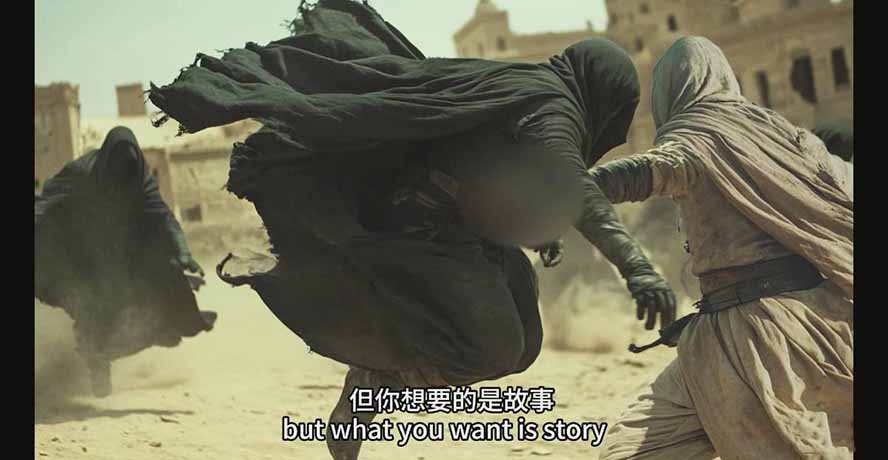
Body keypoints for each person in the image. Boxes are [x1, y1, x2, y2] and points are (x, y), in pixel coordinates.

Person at [148, 2, 676, 458]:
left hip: (467, 231)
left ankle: (382, 379)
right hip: (423, 226)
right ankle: (372, 386)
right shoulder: (550, 102)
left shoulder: (530, 90)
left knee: (525, 347)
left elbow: (504, 170)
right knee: (493, 350)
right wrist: (637, 267)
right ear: (601, 94)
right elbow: (573, 184)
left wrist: (541, 232)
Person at [585, 37, 853, 459]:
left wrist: (569, 186)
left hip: (764, 346)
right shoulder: (791, 138)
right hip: (771, 327)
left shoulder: (694, 142)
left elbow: (642, 172)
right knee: (633, 448)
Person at [35, 126, 216, 398]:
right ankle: (94, 364)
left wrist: (183, 253)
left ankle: (100, 356)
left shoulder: (140, 178)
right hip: (79, 253)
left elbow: (162, 216)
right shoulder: (82, 173)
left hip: (125, 253)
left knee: (150, 305)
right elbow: (45, 200)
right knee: (89, 303)